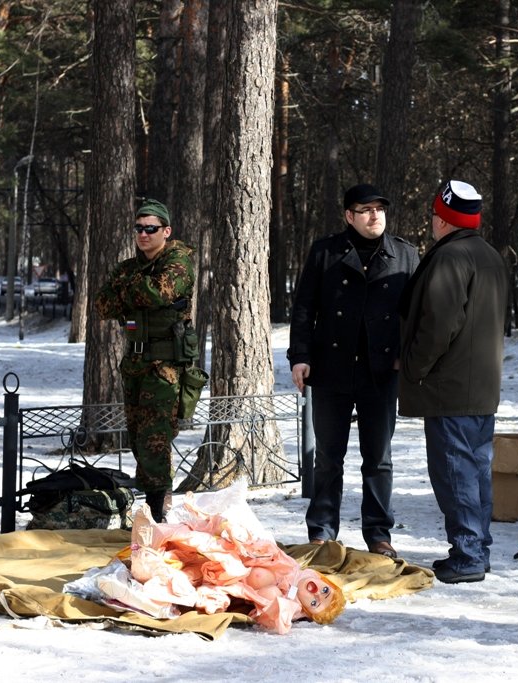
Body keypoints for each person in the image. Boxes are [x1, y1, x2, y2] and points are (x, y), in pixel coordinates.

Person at [287, 183, 420, 558]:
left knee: (378, 458)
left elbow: (418, 314)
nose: (374, 215)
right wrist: (300, 356)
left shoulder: (405, 255)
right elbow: (303, 308)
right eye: (365, 210)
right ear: (349, 216)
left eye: (379, 208)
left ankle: (379, 535)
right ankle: (322, 532)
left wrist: (403, 355)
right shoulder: (326, 252)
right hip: (331, 369)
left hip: (381, 371)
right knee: (329, 456)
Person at [397, 179, 508, 584]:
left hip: (449, 386)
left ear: (443, 218)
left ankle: (467, 555)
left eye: (433, 215)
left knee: (455, 472)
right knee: (476, 472)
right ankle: (478, 548)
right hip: (480, 386)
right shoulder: (489, 255)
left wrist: (414, 367)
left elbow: (439, 325)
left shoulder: (449, 258)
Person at [92, 483, 347, 635]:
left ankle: (139, 577)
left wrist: (290, 603)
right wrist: (235, 534)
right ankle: (150, 541)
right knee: (196, 543)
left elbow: (275, 620)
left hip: (222, 582)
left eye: (315, 601)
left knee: (186, 586)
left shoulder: (289, 605)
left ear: (306, 611)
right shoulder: (293, 567)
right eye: (325, 590)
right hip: (229, 554)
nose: (315, 592)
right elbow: (262, 548)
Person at [95, 199, 196, 523]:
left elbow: (161, 291)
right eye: (138, 228)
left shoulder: (178, 260)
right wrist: (136, 289)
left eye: (150, 229)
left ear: (165, 231)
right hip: (136, 364)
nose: (143, 234)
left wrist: (127, 290)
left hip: (165, 368)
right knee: (139, 438)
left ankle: (159, 507)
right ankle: (154, 504)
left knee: (156, 438)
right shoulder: (128, 268)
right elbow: (102, 305)